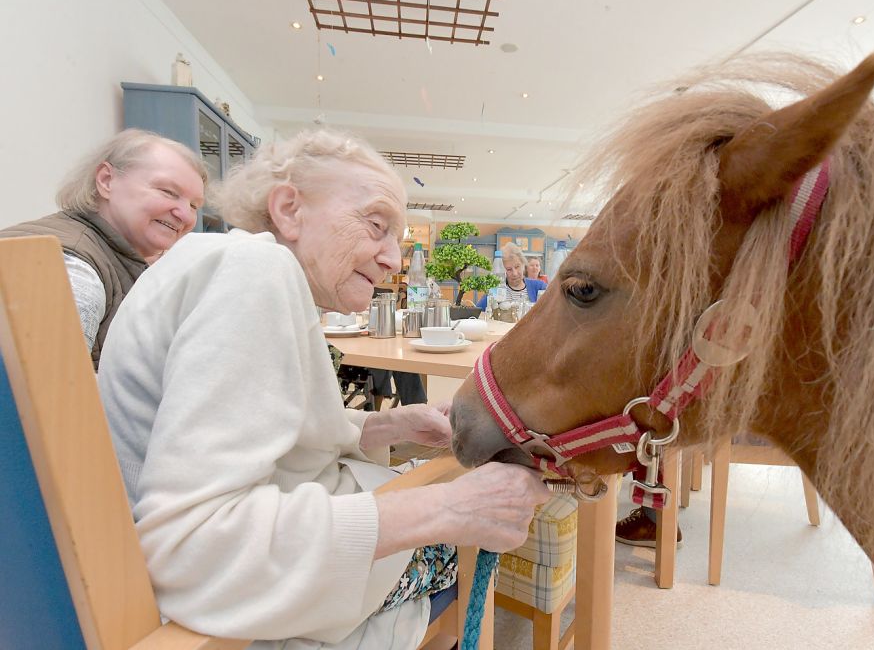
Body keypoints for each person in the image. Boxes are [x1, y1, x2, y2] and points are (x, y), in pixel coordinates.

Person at [97, 128, 550, 649]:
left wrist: (382, 424)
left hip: (275, 549)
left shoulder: (236, 266)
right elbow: (194, 548)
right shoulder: (254, 273)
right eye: (376, 226)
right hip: (236, 598)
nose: (393, 260)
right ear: (289, 209)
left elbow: (260, 430)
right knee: (460, 532)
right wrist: (449, 509)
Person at [0, 129, 206, 369]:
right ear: (106, 180)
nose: (185, 215)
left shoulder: (117, 257)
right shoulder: (73, 267)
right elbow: (56, 390)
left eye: (194, 205)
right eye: (168, 192)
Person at [475, 241, 548, 309]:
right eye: (509, 269)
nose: (515, 273)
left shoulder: (539, 287)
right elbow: (478, 311)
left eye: (517, 267)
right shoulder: (496, 289)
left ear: (523, 264)